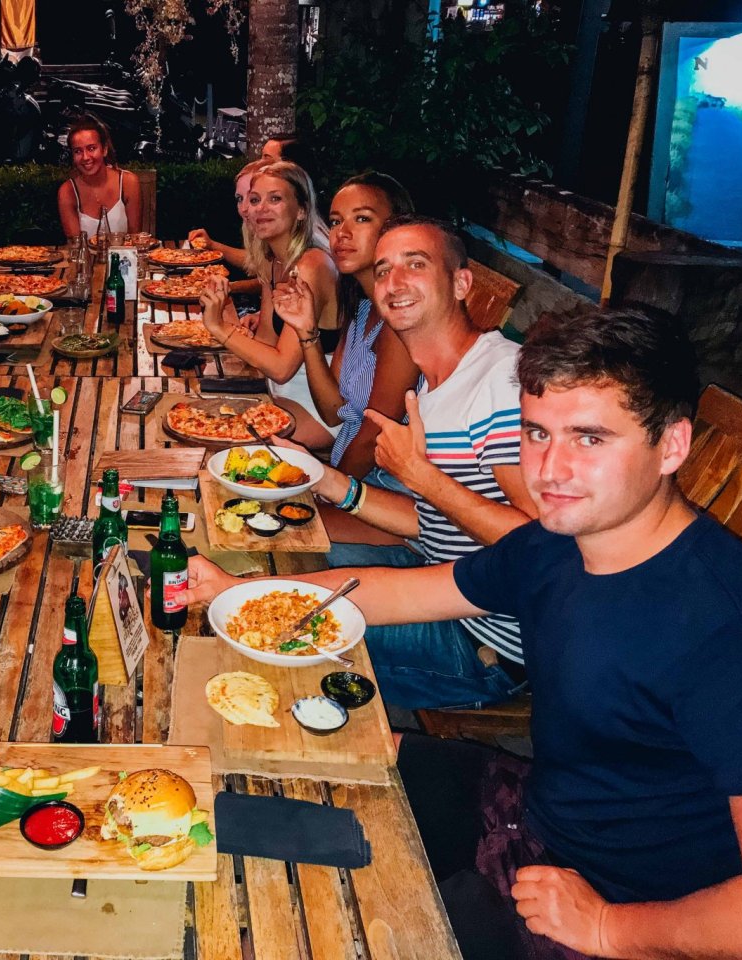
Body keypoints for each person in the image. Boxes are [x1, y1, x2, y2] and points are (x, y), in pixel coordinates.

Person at [186, 307, 742, 960]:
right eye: (536, 433)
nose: (550, 470)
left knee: (347, 933)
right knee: (257, 797)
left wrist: (609, 927)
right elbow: (405, 592)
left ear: (671, 445)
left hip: (627, 905)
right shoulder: (558, 542)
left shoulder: (736, 629)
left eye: (589, 439)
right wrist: (234, 591)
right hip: (534, 809)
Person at [257, 215, 537, 708]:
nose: (394, 282)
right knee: (265, 568)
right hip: (434, 578)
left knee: (267, 635)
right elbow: (429, 521)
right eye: (384, 270)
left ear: (461, 282)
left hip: (484, 645)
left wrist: (422, 478)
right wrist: (324, 477)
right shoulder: (432, 388)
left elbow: (543, 547)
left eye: (416, 264)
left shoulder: (500, 382)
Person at [272, 171, 421, 483]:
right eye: (336, 221)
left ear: (398, 228)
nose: (341, 233)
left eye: (362, 219)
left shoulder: (401, 323)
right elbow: (333, 412)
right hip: (349, 476)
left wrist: (328, 489)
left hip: (385, 489)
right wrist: (307, 333)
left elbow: (372, 435)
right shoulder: (362, 309)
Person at [198, 160, 340, 449]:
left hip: (315, 410)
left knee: (212, 439)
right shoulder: (273, 261)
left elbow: (281, 367)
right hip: (275, 395)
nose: (259, 208)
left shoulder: (313, 264)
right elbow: (264, 344)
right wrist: (226, 307)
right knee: (199, 409)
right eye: (254, 200)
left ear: (301, 209)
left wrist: (219, 327)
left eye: (275, 199)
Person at [57, 114, 143, 239]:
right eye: (78, 151)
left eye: (91, 148)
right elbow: (75, 247)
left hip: (124, 257)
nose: (85, 157)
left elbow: (136, 239)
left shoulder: (128, 183)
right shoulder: (67, 191)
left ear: (104, 150)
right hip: (85, 258)